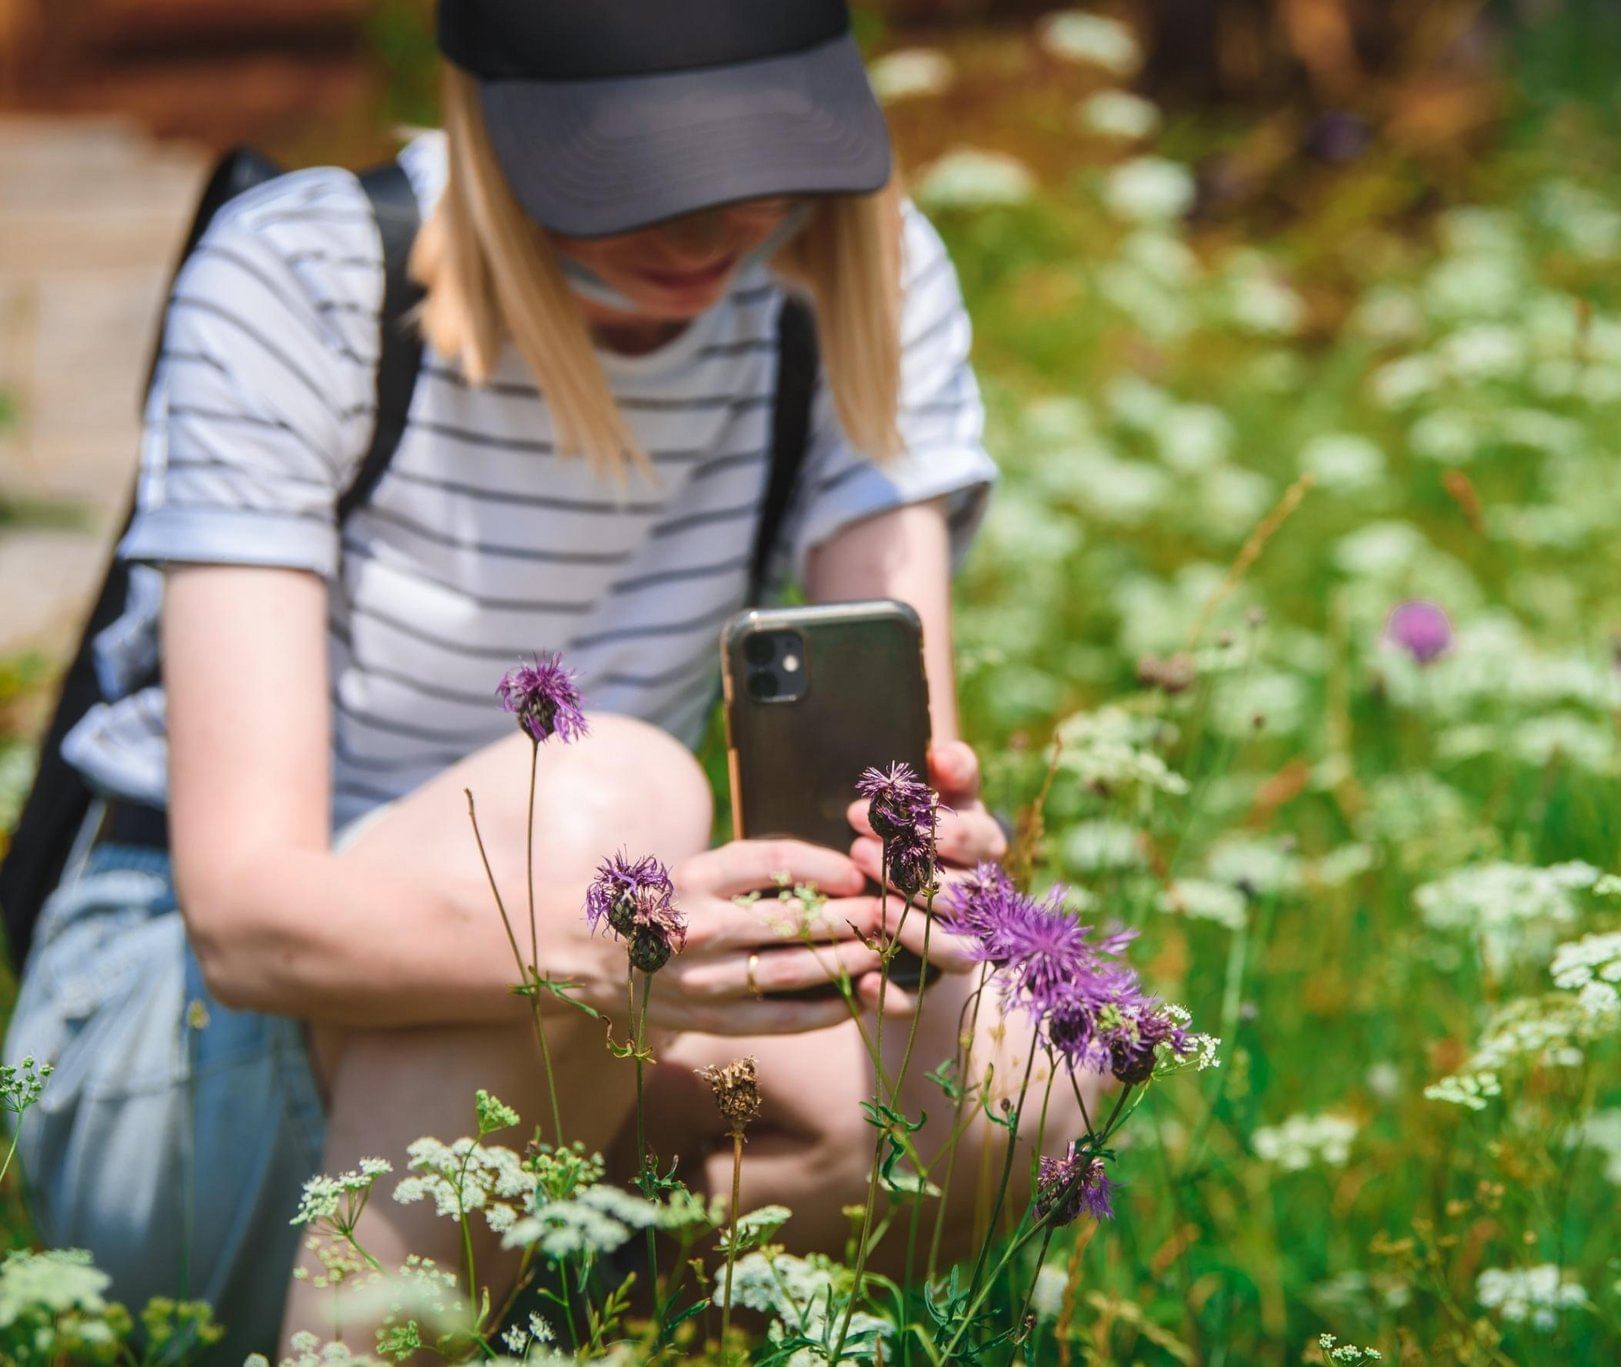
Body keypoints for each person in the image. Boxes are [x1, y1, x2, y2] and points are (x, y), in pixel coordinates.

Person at [2, 0, 1090, 1354]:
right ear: (487, 105)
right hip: (194, 1044)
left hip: (576, 1038)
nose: (708, 230)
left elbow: (907, 782)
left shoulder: (854, 272)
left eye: (757, 163)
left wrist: (906, 875)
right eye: (633, 180)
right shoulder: (308, 273)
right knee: (606, 794)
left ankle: (531, 1327)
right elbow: (245, 916)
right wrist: (602, 959)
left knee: (1022, 1080)